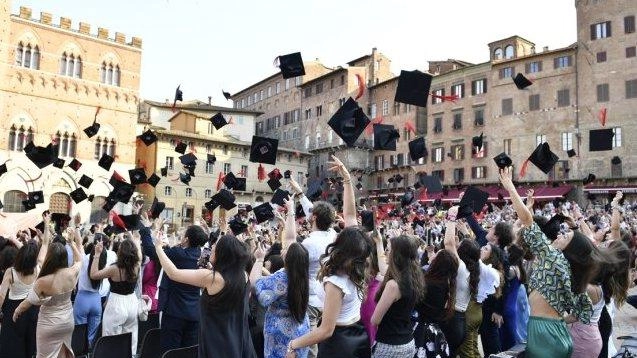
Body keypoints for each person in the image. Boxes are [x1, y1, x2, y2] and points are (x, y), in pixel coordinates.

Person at [498, 167, 593, 358]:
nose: (560, 234)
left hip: (545, 333)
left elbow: (526, 221)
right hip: (554, 330)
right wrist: (559, 320)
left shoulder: (553, 256)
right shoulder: (564, 265)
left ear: (570, 249)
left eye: (566, 236)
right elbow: (585, 309)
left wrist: (510, 187)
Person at [152, 218, 256, 358]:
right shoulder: (243, 275)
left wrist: (158, 247)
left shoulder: (212, 278)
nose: (211, 247)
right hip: (236, 337)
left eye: (215, 247)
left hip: (215, 339)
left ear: (222, 254)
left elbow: (173, 273)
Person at [285, 227, 373, 358]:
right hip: (357, 333)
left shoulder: (336, 283)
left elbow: (326, 331)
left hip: (340, 342)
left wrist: (293, 344)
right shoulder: (358, 267)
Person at [139, 212, 208, 353]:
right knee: (189, 352)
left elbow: (151, 251)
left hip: (174, 312)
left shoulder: (177, 254)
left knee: (170, 351)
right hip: (195, 312)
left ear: (186, 239)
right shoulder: (203, 256)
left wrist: (146, 228)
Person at [13, 225, 83, 358]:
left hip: (48, 324)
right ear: (64, 257)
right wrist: (72, 243)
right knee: (63, 355)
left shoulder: (43, 281)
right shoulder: (72, 272)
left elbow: (29, 301)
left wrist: (17, 311)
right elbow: (80, 260)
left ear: (49, 258)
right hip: (67, 321)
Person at [289, 177, 337, 358]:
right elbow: (314, 211)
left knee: (309, 343)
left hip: (309, 298)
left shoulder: (308, 243)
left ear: (314, 218)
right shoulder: (333, 235)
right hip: (326, 296)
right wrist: (300, 193)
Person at [370, 235, 424, 358]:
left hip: (389, 346)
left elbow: (375, 320)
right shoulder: (414, 276)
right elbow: (384, 269)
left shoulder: (393, 285)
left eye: (388, 249)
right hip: (408, 342)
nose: (385, 252)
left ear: (397, 255)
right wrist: (379, 243)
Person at [90, 235, 142, 354]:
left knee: (111, 340)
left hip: (116, 303)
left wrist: (97, 255)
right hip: (132, 303)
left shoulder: (114, 268)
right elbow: (139, 254)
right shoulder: (137, 265)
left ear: (120, 252)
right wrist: (135, 240)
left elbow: (93, 274)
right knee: (131, 340)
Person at [0, 238, 40, 358]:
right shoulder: (38, 269)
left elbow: (1, 295)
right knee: (28, 344)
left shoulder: (11, 272)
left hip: (13, 311)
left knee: (11, 346)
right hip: (32, 309)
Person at [72, 240, 106, 347]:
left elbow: (78, 243)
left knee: (79, 332)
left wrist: (76, 228)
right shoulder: (103, 264)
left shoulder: (84, 259)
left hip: (82, 299)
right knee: (92, 335)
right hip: (96, 300)